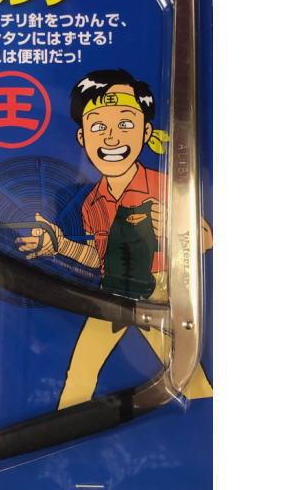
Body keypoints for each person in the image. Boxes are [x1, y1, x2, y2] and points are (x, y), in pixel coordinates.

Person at [16, 69, 213, 408]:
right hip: (113, 292)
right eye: (98, 127)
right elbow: (100, 258)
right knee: (80, 374)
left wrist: (175, 228)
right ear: (82, 137)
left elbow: (206, 240)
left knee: (190, 377)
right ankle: (68, 432)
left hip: (160, 292)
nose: (111, 138)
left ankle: (206, 421)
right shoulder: (91, 202)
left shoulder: (165, 185)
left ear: (145, 131)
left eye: (124, 124)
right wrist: (60, 246)